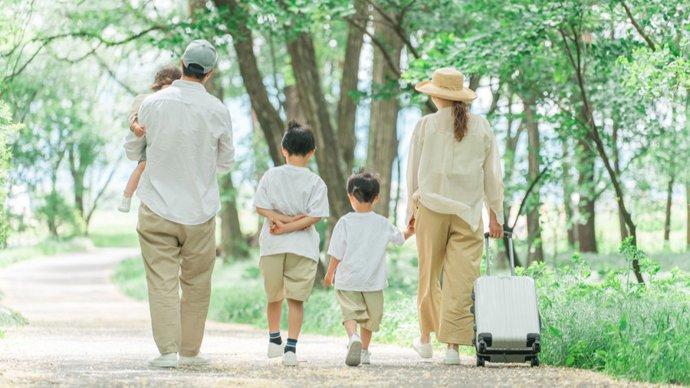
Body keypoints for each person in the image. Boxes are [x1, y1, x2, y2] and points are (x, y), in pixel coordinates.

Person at [124, 39, 234, 368]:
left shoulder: (153, 104)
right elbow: (226, 163)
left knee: (162, 281)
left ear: (182, 63)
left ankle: (168, 352)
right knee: (198, 283)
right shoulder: (218, 110)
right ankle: (190, 352)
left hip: (157, 206)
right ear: (210, 73)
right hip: (200, 211)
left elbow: (132, 150)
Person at [406, 67, 504, 365]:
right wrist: (495, 214)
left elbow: (413, 174)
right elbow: (492, 177)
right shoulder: (482, 126)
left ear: (436, 96)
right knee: (462, 281)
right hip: (468, 214)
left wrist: (411, 212)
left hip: (431, 210)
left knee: (429, 277)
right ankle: (452, 348)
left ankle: (425, 340)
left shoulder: (425, 126)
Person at [253, 121, 330, 367]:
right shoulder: (316, 182)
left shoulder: (271, 175)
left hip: (273, 245)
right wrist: (291, 222)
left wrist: (281, 223)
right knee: (296, 299)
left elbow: (260, 207)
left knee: (273, 295)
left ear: (283, 149)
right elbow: (314, 216)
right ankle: (291, 349)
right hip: (303, 248)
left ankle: (274, 339)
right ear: (312, 152)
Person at [323, 171, 414, 367]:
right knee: (371, 318)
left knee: (350, 313)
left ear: (350, 196)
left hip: (348, 280)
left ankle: (352, 337)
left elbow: (336, 252)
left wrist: (330, 274)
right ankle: (364, 351)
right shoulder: (382, 223)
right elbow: (399, 239)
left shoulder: (345, 222)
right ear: (376, 198)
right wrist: (410, 231)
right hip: (373, 282)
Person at [118, 66, 181, 213]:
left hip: (172, 146)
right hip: (153, 144)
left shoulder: (180, 102)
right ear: (158, 86)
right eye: (166, 87)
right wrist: (136, 127)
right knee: (142, 167)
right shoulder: (147, 100)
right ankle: (127, 196)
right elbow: (133, 118)